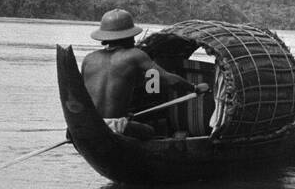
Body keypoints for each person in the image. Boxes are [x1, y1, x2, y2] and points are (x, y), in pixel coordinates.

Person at [79, 9, 206, 139]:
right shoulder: (134, 55)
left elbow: (82, 94)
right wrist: (194, 88)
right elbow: (169, 80)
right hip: (114, 126)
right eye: (132, 37)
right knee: (150, 131)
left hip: (87, 124)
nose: (134, 41)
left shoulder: (89, 59)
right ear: (126, 36)